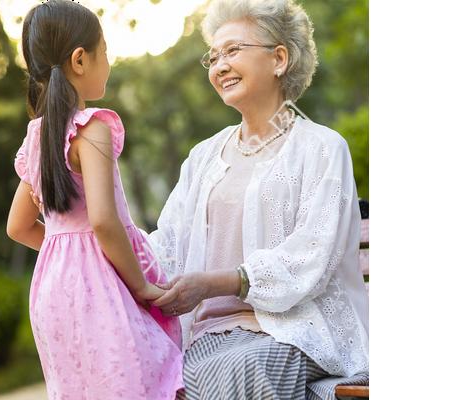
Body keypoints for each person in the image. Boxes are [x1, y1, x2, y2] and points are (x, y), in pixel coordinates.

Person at [147, 0, 370, 398]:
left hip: (297, 329)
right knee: (156, 368)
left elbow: (311, 256)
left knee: (242, 370)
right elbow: (166, 244)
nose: (219, 66)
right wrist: (93, 232)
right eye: (213, 57)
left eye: (232, 51)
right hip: (210, 335)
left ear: (279, 58)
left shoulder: (321, 147)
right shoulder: (203, 157)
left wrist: (218, 282)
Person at [5, 1, 184, 399]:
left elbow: (17, 226)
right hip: (100, 289)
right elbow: (103, 221)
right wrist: (140, 286)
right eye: (107, 52)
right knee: (140, 380)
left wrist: (66, 252)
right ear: (80, 60)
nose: (110, 62)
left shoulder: (37, 137)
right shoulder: (92, 129)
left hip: (52, 291)